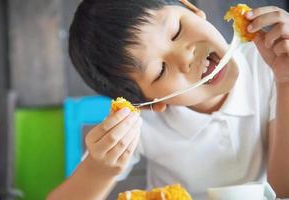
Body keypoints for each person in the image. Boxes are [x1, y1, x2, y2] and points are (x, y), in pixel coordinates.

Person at [47, 0, 289, 199]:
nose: (185, 57)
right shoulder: (140, 123)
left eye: (176, 31)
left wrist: (286, 81)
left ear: (191, 9)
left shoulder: (268, 62)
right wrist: (99, 170)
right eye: (160, 70)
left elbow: (282, 191)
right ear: (153, 104)